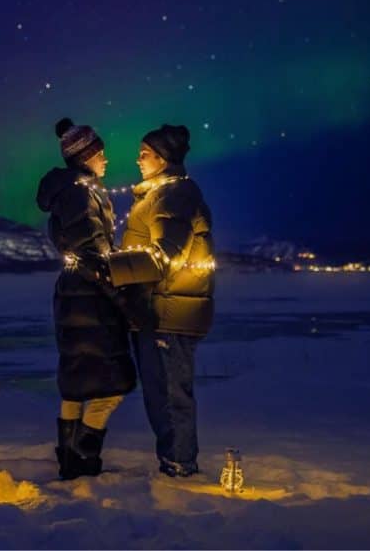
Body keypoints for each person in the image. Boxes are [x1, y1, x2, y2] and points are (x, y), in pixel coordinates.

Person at [107, 124, 215, 477]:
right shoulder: (159, 194)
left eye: (145, 153)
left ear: (163, 157)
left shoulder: (173, 195)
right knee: (161, 396)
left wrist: (112, 268)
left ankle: (180, 468)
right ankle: (175, 463)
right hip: (158, 311)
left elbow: (166, 255)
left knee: (169, 397)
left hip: (168, 314)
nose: (137, 159)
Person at [35, 117, 137, 480]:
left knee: (78, 381)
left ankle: (70, 461)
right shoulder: (79, 193)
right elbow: (93, 253)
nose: (106, 160)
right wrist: (125, 302)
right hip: (89, 298)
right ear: (86, 156)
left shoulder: (72, 190)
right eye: (101, 154)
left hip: (74, 294)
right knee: (111, 383)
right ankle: (83, 453)